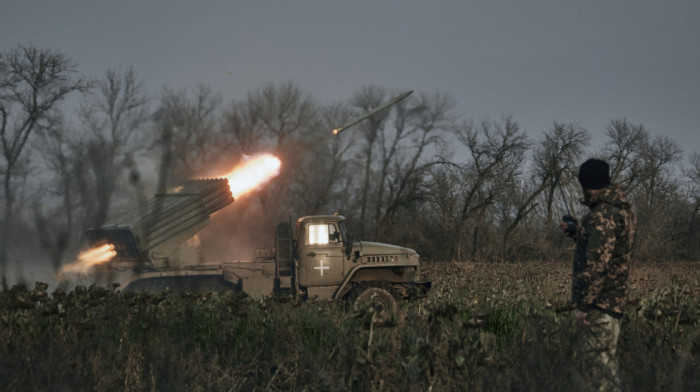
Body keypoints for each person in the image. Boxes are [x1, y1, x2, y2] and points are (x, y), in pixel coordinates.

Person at [562, 158, 636, 392]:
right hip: (612, 303)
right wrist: (579, 234)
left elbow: (597, 265)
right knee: (606, 370)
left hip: (600, 305)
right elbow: (606, 248)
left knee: (598, 375)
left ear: (586, 183)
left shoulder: (602, 216)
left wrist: (585, 306)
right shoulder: (621, 211)